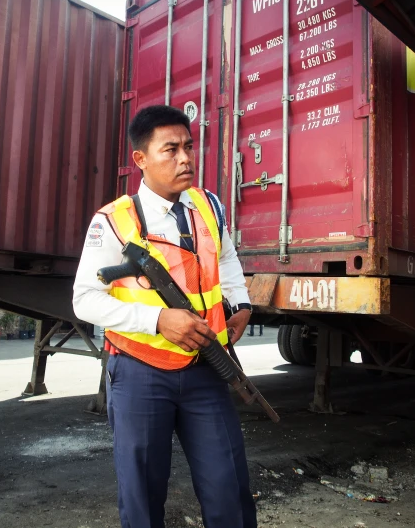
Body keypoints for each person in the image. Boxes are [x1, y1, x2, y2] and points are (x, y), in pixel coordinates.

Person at [73, 105, 257, 528]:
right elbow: (84, 300)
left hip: (207, 365)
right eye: (170, 149)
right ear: (141, 159)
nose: (186, 159)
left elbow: (227, 258)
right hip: (140, 372)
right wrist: (158, 321)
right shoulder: (113, 220)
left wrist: (241, 304)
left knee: (229, 486)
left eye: (189, 147)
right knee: (142, 496)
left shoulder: (208, 205)